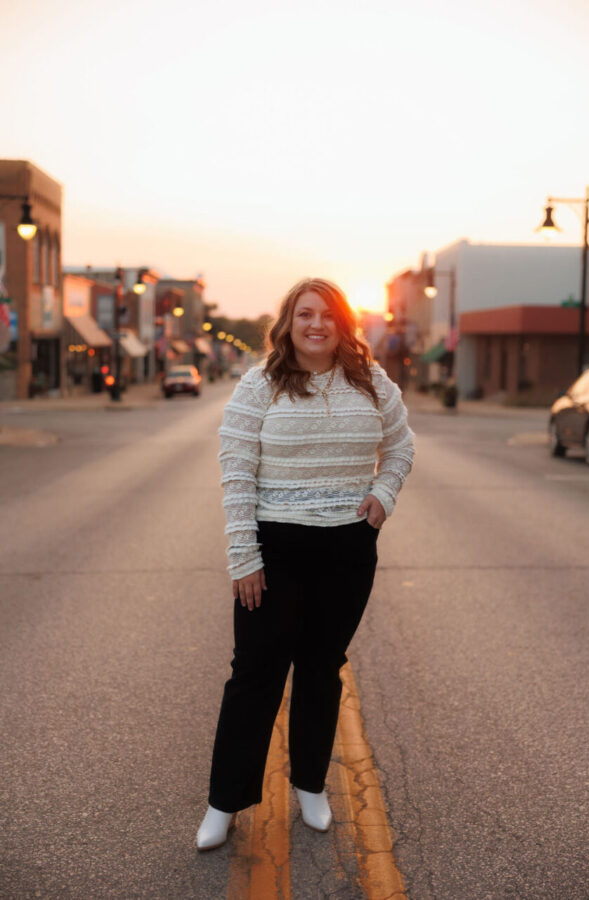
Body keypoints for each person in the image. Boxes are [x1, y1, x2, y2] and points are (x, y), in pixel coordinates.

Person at [196, 277, 415, 850]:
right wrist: (243, 555)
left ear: (343, 324)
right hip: (275, 550)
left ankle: (311, 786)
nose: (316, 325)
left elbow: (402, 445)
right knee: (255, 674)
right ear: (288, 324)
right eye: (304, 315)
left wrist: (383, 496)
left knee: (321, 669)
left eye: (328, 315)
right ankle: (224, 802)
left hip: (347, 550)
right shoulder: (259, 384)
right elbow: (237, 471)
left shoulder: (372, 382)